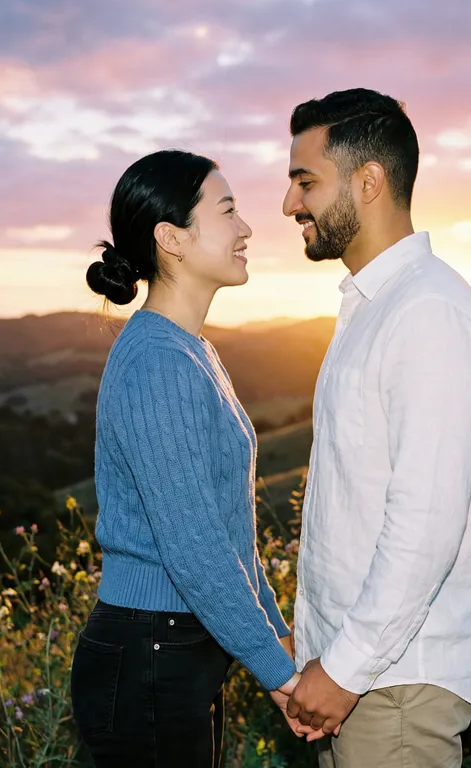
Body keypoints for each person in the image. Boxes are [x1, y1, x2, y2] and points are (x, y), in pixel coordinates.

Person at [281, 89, 471, 768]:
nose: (291, 206)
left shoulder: (427, 311)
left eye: (305, 182)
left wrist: (343, 670)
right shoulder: (376, 309)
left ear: (368, 180)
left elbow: (425, 524)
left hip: (392, 689)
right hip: (363, 683)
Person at [70, 149, 308, 767]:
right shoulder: (158, 360)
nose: (248, 228)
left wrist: (272, 634)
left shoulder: (191, 350)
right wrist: (277, 672)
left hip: (173, 646)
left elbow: (231, 530)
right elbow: (193, 542)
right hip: (148, 647)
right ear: (172, 238)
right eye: (228, 210)